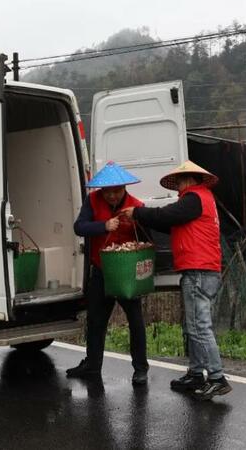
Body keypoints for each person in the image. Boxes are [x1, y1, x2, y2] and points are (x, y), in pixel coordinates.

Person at [122, 161, 230, 400]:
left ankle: (216, 377)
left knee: (199, 326)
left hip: (199, 270)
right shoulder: (202, 199)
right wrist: (144, 218)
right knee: (193, 324)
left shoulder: (193, 198)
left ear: (190, 179)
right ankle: (195, 373)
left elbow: (166, 215)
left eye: (180, 181)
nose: (178, 187)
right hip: (204, 269)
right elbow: (170, 223)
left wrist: (138, 212)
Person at [66, 162, 149, 386]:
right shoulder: (92, 200)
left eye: (117, 191)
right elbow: (79, 227)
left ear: (124, 188)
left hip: (126, 274)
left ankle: (140, 369)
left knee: (135, 321)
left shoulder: (136, 206)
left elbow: (147, 237)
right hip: (101, 271)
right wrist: (103, 226)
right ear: (101, 190)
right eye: (108, 192)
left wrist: (137, 221)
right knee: (95, 321)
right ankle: (92, 366)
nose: (112, 196)